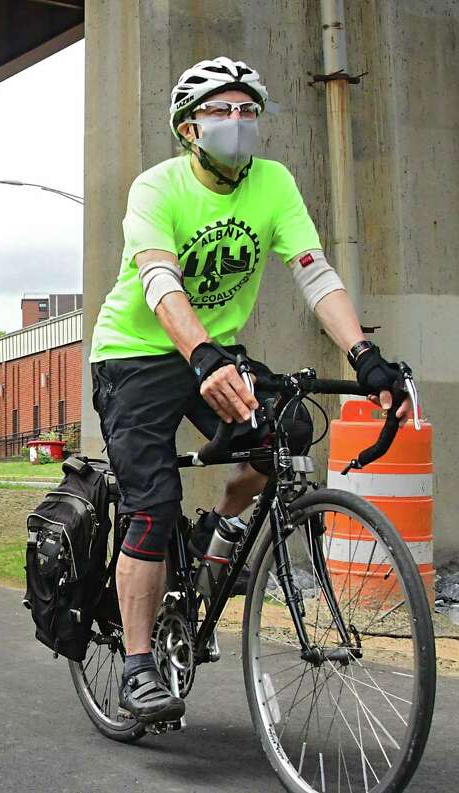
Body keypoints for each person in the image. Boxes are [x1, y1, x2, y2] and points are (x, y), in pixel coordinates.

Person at [89, 57, 416, 725]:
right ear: (188, 128)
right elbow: (159, 282)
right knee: (152, 502)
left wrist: (365, 355)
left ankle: (222, 544)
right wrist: (203, 352)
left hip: (216, 348)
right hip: (137, 354)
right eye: (221, 111)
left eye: (248, 111)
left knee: (289, 431)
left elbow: (315, 275)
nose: (238, 123)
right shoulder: (158, 188)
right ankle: (137, 664)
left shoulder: (273, 183)